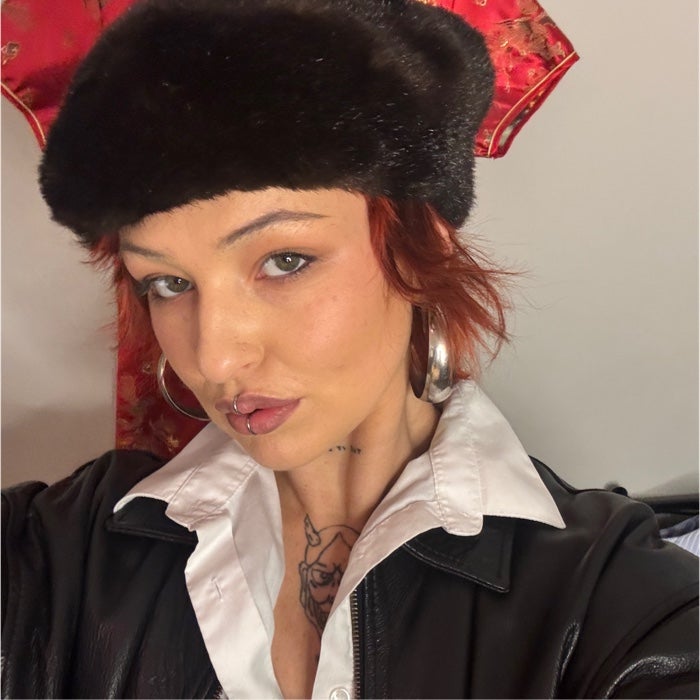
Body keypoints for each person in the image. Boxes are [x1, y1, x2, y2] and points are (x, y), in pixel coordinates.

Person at [1, 1, 697, 698]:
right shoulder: (56, 555)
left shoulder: (616, 603)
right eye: (169, 283)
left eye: (284, 261)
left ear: (419, 250)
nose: (215, 359)